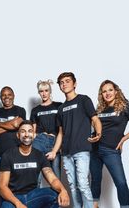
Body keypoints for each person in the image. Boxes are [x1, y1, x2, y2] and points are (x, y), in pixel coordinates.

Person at [47, 72, 102, 208]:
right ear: (59, 86)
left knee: (82, 184)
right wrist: (54, 151)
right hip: (66, 153)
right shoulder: (60, 109)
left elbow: (95, 119)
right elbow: (60, 133)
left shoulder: (84, 100)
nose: (64, 84)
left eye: (67, 81)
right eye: (61, 82)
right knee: (73, 186)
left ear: (74, 83)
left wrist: (99, 132)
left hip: (82, 150)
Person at [90, 80, 129, 208]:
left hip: (111, 150)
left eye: (110, 90)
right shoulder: (100, 109)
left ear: (116, 91)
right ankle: (93, 206)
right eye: (104, 91)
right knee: (95, 181)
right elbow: (95, 126)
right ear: (101, 94)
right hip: (94, 149)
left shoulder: (125, 106)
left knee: (121, 182)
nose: (107, 93)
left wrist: (123, 139)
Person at [0, 120, 70, 208]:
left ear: (34, 135)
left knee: (55, 195)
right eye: (23, 131)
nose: (26, 135)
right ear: (18, 135)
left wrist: (63, 190)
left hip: (34, 196)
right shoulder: (7, 155)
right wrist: (18, 204)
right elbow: (2, 187)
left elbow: (52, 179)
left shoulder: (39, 155)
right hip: (14, 197)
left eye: (30, 131)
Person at [0, 86, 26, 208]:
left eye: (9, 94)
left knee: (13, 185)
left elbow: (17, 125)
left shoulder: (20, 110)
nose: (6, 97)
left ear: (13, 96)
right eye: (4, 95)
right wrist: (10, 124)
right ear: (1, 97)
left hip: (15, 154)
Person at [30, 80, 62, 184]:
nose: (44, 93)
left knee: (56, 178)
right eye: (41, 91)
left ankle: (57, 200)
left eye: (46, 90)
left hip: (54, 141)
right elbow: (33, 130)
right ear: (39, 92)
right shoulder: (35, 110)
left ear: (50, 91)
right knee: (36, 177)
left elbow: (63, 128)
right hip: (39, 141)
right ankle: (36, 199)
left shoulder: (59, 106)